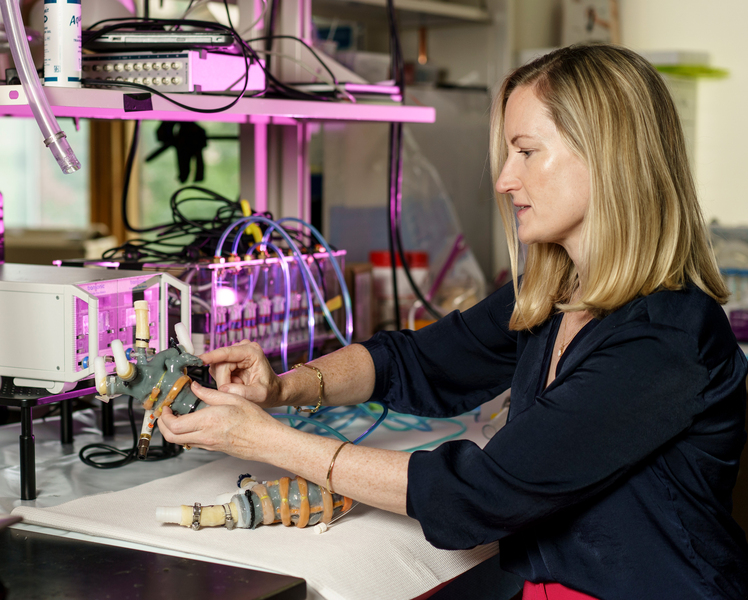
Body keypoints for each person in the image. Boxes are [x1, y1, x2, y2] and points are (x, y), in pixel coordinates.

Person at [157, 43, 748, 600]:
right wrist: (284, 388)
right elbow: (418, 360)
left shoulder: (664, 338)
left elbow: (481, 496)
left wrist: (270, 442)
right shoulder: (556, 294)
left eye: (526, 151)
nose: (504, 180)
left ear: (607, 156)